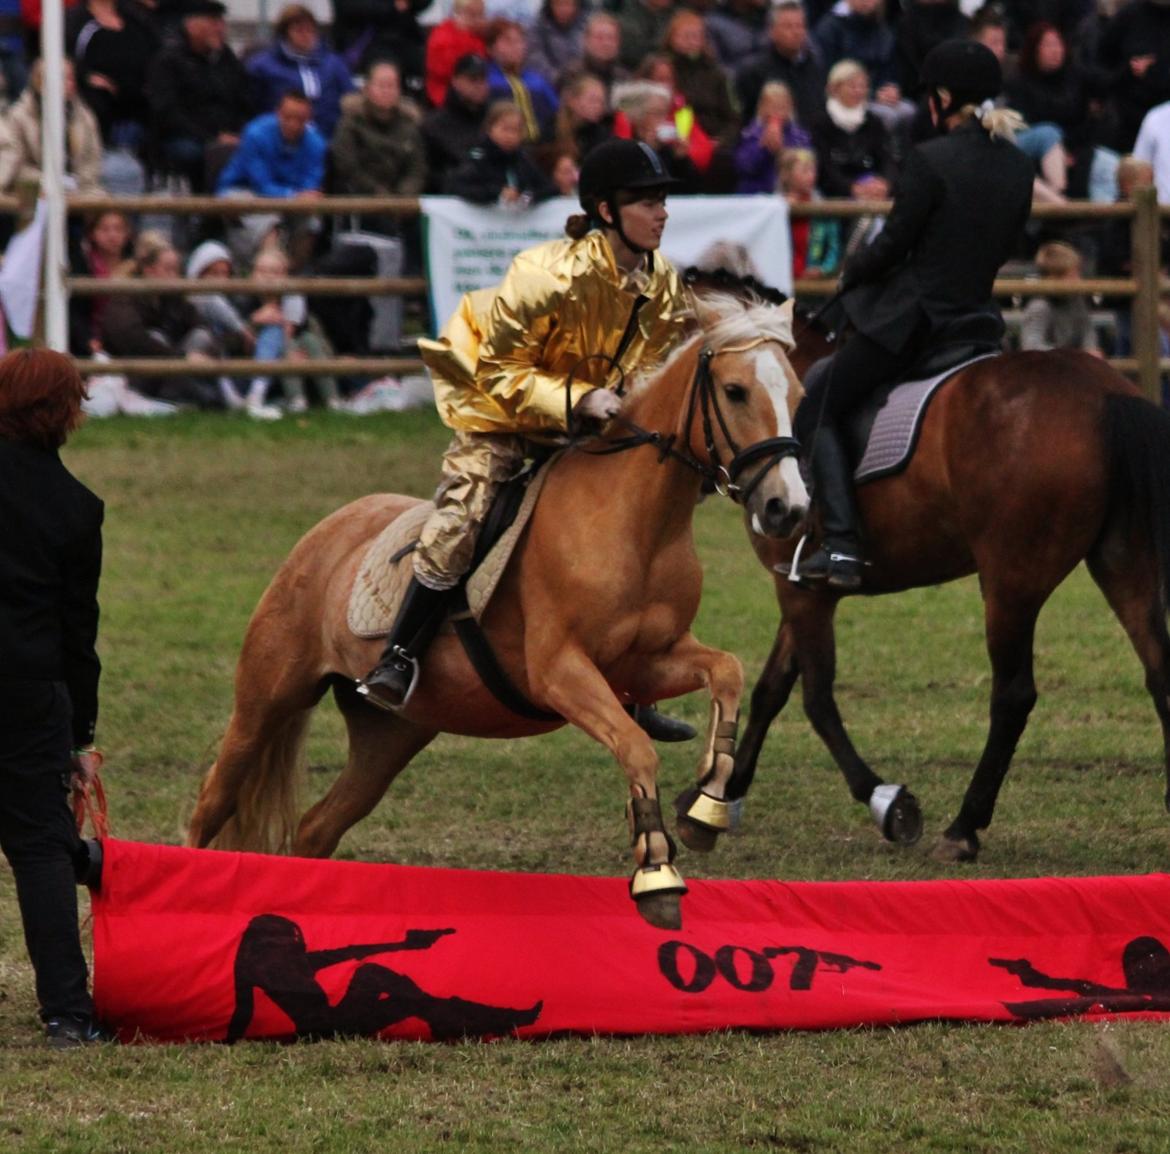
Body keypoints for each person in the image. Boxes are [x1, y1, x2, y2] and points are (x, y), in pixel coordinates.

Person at [357, 137, 696, 743]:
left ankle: (634, 687)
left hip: (593, 427)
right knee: (462, 517)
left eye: (662, 200)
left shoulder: (664, 284)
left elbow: (651, 368)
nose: (661, 212)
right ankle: (399, 657)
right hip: (503, 416)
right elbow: (499, 373)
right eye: (645, 201)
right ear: (606, 210)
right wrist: (577, 399)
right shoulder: (543, 274)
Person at [791, 39, 1033, 590]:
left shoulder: (931, 158)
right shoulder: (1019, 166)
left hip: (916, 323)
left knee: (818, 405)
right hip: (976, 323)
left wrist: (854, 271)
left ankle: (844, 546)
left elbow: (897, 242)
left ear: (943, 98)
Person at [0, 348, 106, 1048]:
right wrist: (81, 739)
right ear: (65, 413)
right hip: (29, 692)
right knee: (41, 849)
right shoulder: (75, 508)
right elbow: (78, 634)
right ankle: (67, 1014)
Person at [144, 0, 252, 191]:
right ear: (191, 25)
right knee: (194, 153)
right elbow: (167, 112)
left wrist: (240, 132)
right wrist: (211, 137)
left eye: (221, 22)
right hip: (186, 137)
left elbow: (243, 100)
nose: (220, 28)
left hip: (228, 134)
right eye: (213, 22)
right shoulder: (169, 60)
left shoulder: (226, 59)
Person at [245, 4, 355, 140]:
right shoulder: (262, 66)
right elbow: (250, 108)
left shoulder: (334, 64)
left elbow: (350, 99)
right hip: (278, 140)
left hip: (328, 138)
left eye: (310, 30)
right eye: (299, 30)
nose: (306, 35)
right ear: (285, 33)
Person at [0, 57, 104, 194]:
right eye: (64, 78)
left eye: (72, 78)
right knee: (41, 200)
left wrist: (76, 185)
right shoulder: (17, 117)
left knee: (111, 214)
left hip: (79, 189)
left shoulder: (84, 116)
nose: (71, 84)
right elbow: (14, 166)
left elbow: (92, 161)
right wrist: (49, 181)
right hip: (32, 189)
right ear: (41, 82)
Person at [443, 99, 555, 204]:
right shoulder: (479, 158)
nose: (510, 136)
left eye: (516, 130)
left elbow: (547, 187)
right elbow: (457, 187)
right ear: (490, 129)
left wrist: (528, 196)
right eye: (505, 129)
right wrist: (497, 193)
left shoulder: (522, 159)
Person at [1018, 240, 1105, 357]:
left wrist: (1091, 349)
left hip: (1068, 365)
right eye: (1073, 275)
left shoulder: (1076, 300)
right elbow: (1031, 347)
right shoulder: (1039, 306)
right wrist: (1074, 356)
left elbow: (1087, 329)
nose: (1079, 280)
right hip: (1044, 369)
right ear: (1054, 278)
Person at [422, 52, 490, 192]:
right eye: (472, 79)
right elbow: (427, 172)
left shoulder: (494, 121)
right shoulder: (433, 125)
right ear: (455, 81)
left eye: (482, 79)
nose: (479, 85)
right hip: (450, 201)